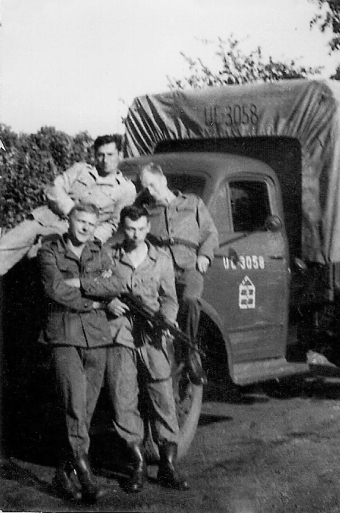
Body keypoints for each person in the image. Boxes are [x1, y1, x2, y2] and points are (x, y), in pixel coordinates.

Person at [37, 202, 123, 503]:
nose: (85, 228)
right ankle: (85, 476)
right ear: (68, 221)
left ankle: (63, 473)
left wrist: (82, 282)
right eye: (80, 222)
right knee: (74, 404)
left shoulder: (100, 251)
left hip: (97, 338)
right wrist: (93, 300)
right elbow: (54, 290)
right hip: (64, 335)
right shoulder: (49, 251)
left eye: (91, 223)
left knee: (85, 410)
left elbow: (115, 283)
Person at [105, 204, 189, 492]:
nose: (136, 234)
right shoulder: (110, 256)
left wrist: (165, 320)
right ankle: (137, 465)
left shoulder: (161, 259)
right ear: (122, 226)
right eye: (130, 228)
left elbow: (170, 298)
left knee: (163, 398)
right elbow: (96, 286)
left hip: (153, 337)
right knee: (123, 398)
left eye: (141, 228)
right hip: (120, 336)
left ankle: (167, 467)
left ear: (149, 227)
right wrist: (108, 302)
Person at [0, 134, 137, 275]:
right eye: (100, 155)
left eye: (110, 154)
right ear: (95, 155)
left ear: (119, 155)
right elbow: (54, 189)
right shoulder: (81, 169)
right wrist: (72, 211)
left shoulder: (126, 189)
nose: (105, 160)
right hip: (45, 218)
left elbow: (113, 224)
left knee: (38, 259)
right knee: (5, 247)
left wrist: (89, 239)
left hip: (70, 233)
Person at [137, 162, 219, 385]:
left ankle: (190, 353)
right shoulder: (146, 211)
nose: (150, 192)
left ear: (163, 180)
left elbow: (210, 234)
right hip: (161, 270)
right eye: (146, 188)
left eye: (152, 185)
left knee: (191, 300)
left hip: (189, 265)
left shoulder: (192, 203)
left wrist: (205, 255)